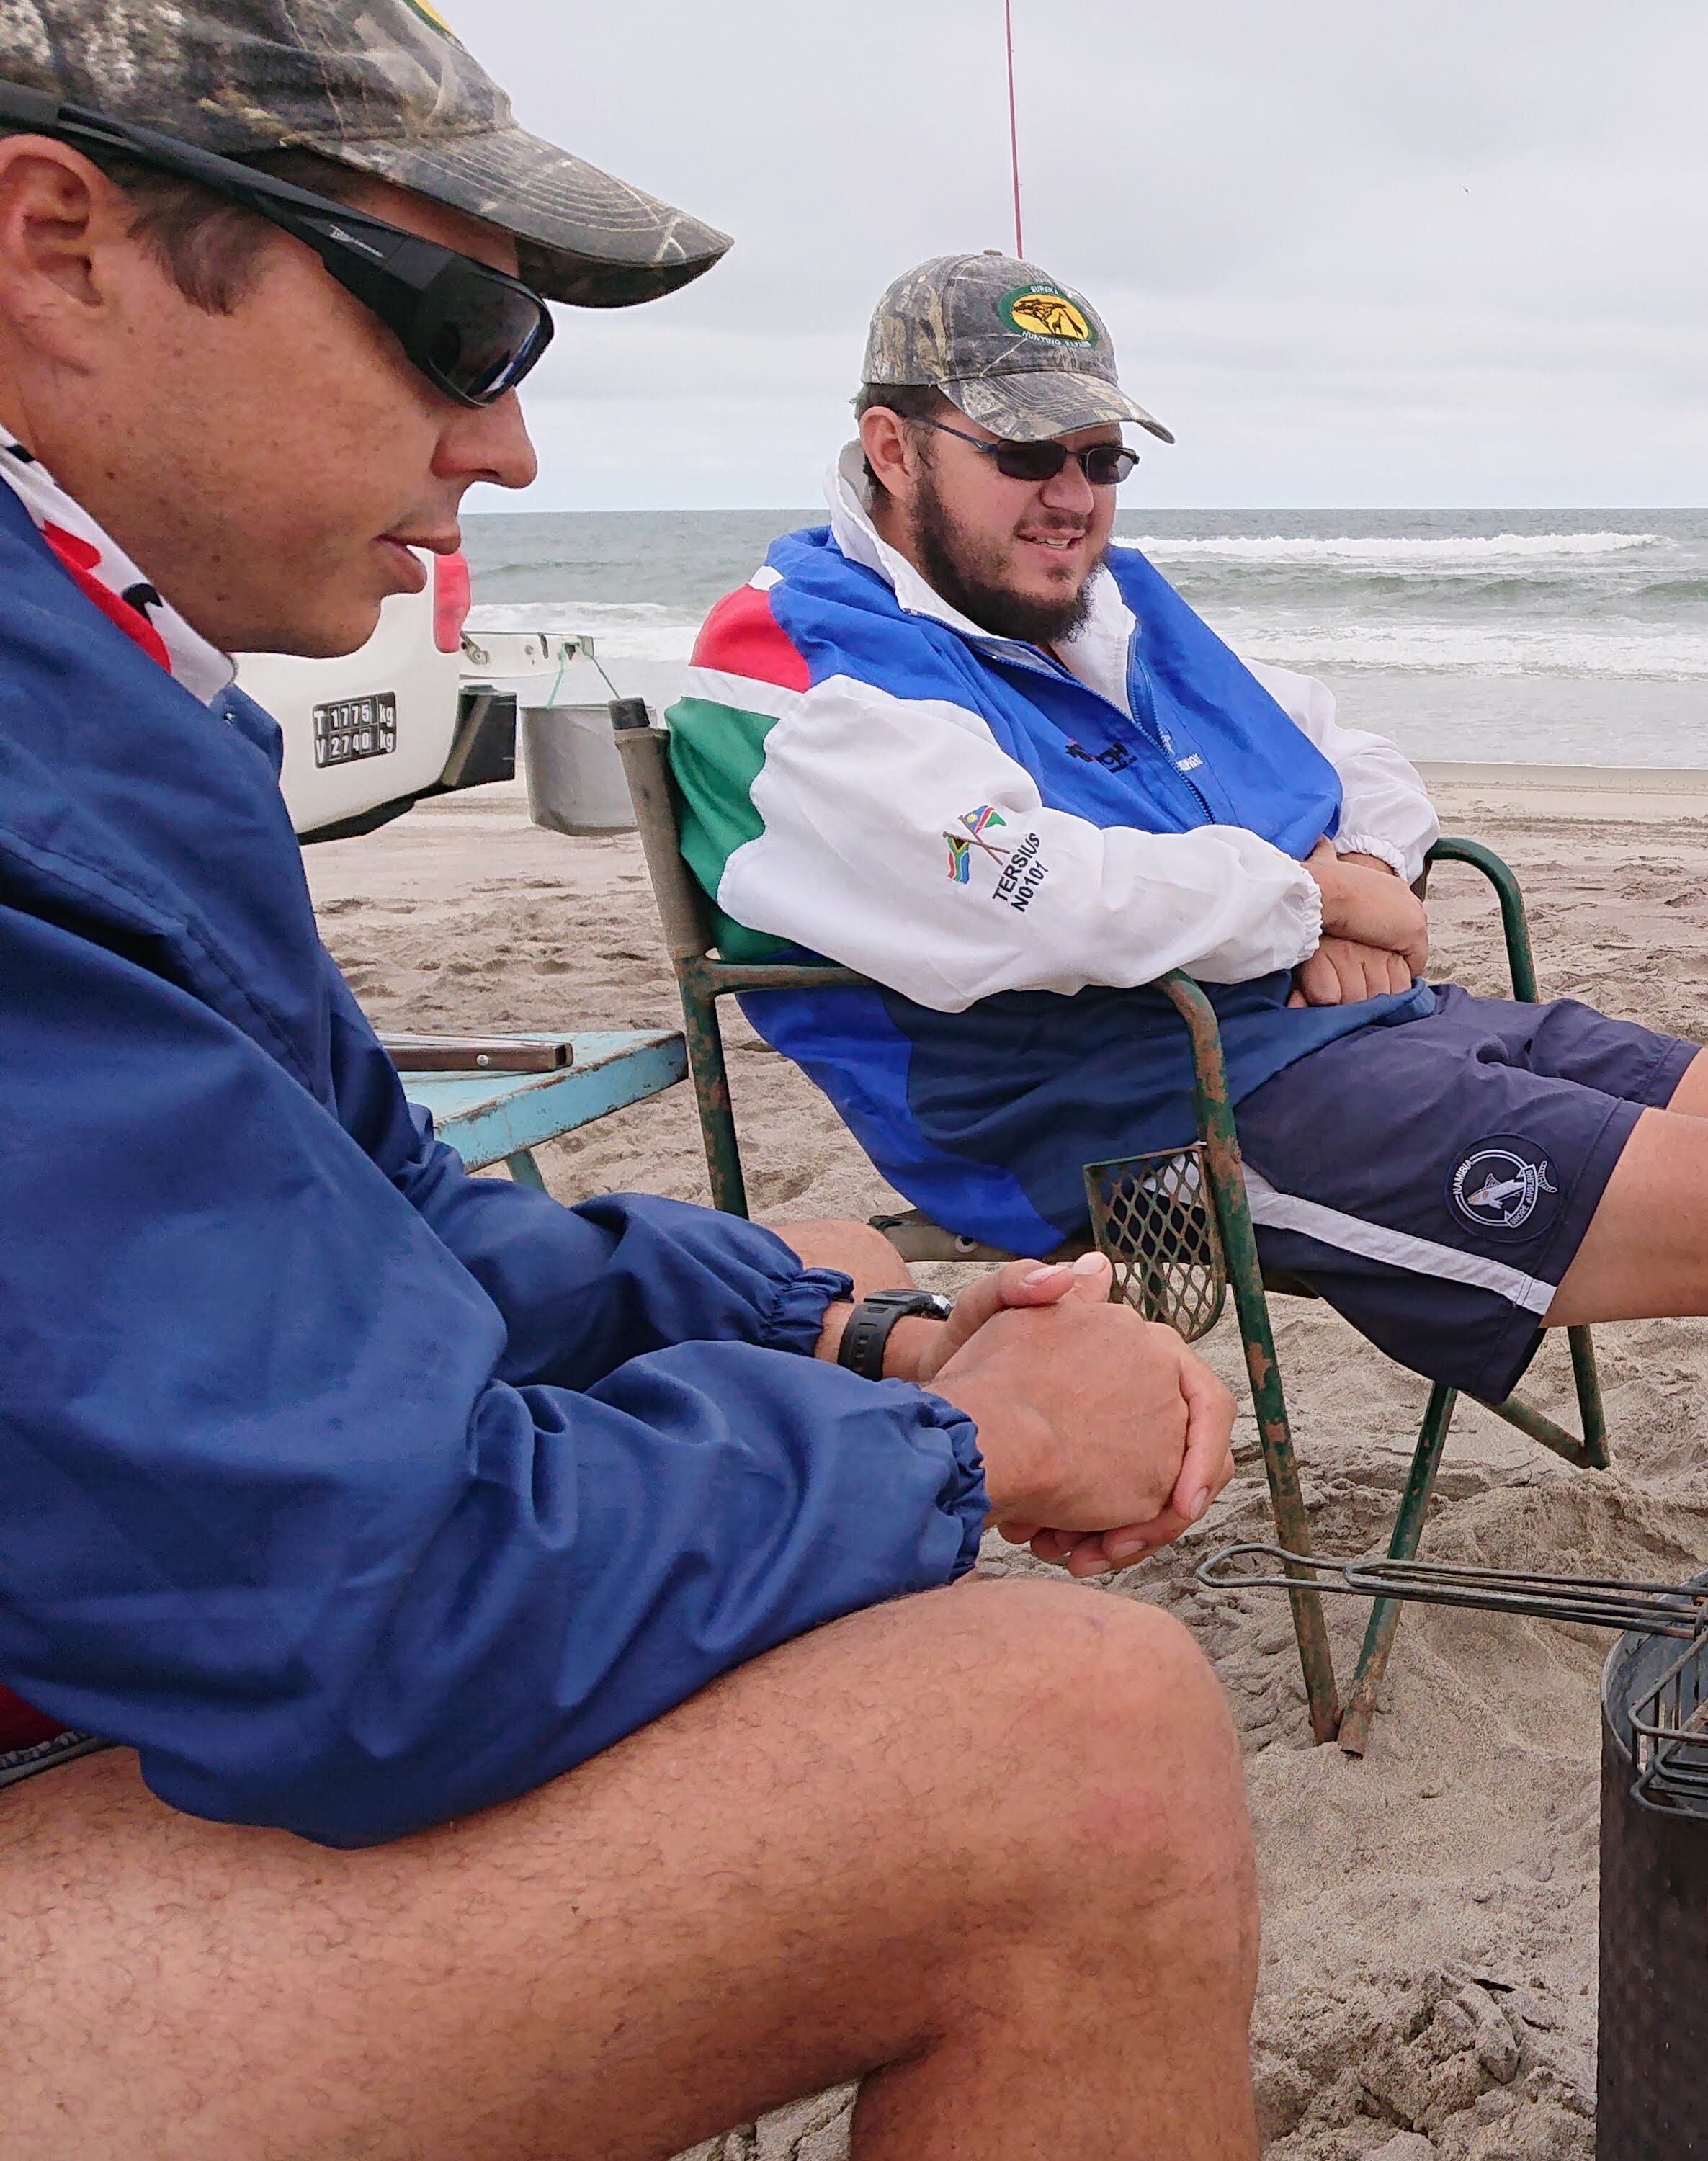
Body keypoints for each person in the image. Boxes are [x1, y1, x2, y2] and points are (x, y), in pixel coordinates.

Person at [0, 9, 1261, 2155]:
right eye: (460, 319)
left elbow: (385, 1214)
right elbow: (369, 1612)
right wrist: (952, 1448)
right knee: (1083, 1748)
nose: (505, 450)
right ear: (60, 243)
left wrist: (834, 1323)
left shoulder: (105, 690)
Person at [665, 253, 1708, 1507]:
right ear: (892, 447)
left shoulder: (1099, 603)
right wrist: (1325, 907)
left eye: (1101, 458)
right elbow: (1054, 899)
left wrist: (1364, 871)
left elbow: (1354, 758)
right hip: (1139, 1118)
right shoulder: (790, 660)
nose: (1071, 495)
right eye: (1025, 455)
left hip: (1343, 1032)